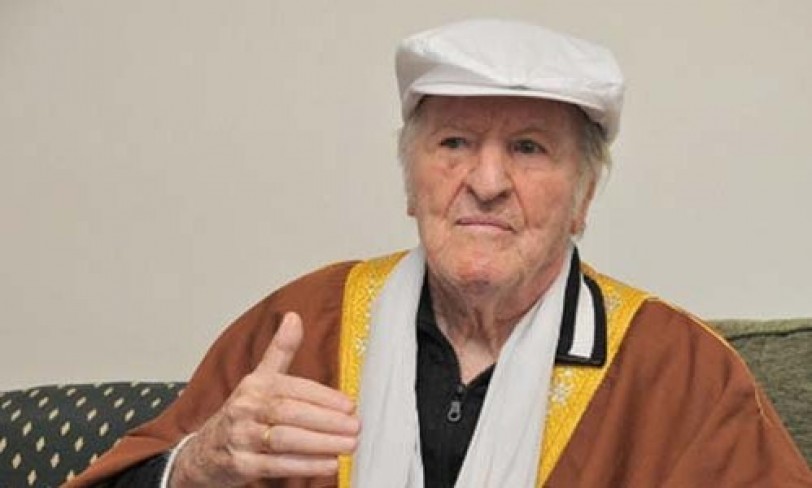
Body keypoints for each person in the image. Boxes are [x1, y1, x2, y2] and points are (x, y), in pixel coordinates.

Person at [68, 19, 811, 488]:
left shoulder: (680, 371)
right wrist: (196, 466)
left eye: (528, 149)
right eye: (455, 143)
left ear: (583, 197)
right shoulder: (305, 324)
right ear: (410, 182)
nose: (486, 182)